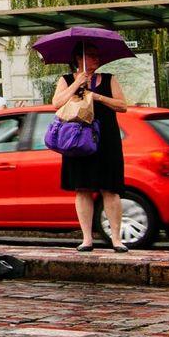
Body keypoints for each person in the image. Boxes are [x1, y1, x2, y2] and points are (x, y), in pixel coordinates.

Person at [54, 44, 131, 252]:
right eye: (91, 55)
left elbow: (122, 106)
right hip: (78, 139)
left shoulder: (108, 79)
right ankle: (87, 238)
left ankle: (116, 239)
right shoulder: (67, 79)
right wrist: (76, 85)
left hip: (107, 139)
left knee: (111, 189)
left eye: (97, 55)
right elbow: (56, 103)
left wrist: (96, 96)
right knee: (82, 188)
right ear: (79, 58)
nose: (96, 59)